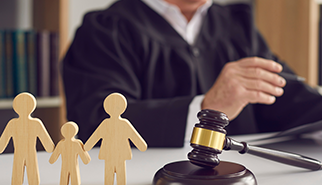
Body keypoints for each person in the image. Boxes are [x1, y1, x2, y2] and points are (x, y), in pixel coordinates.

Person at [62, 0, 322, 147]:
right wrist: (207, 109)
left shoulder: (236, 23)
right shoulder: (105, 30)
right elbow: (97, 120)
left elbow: (283, 95)